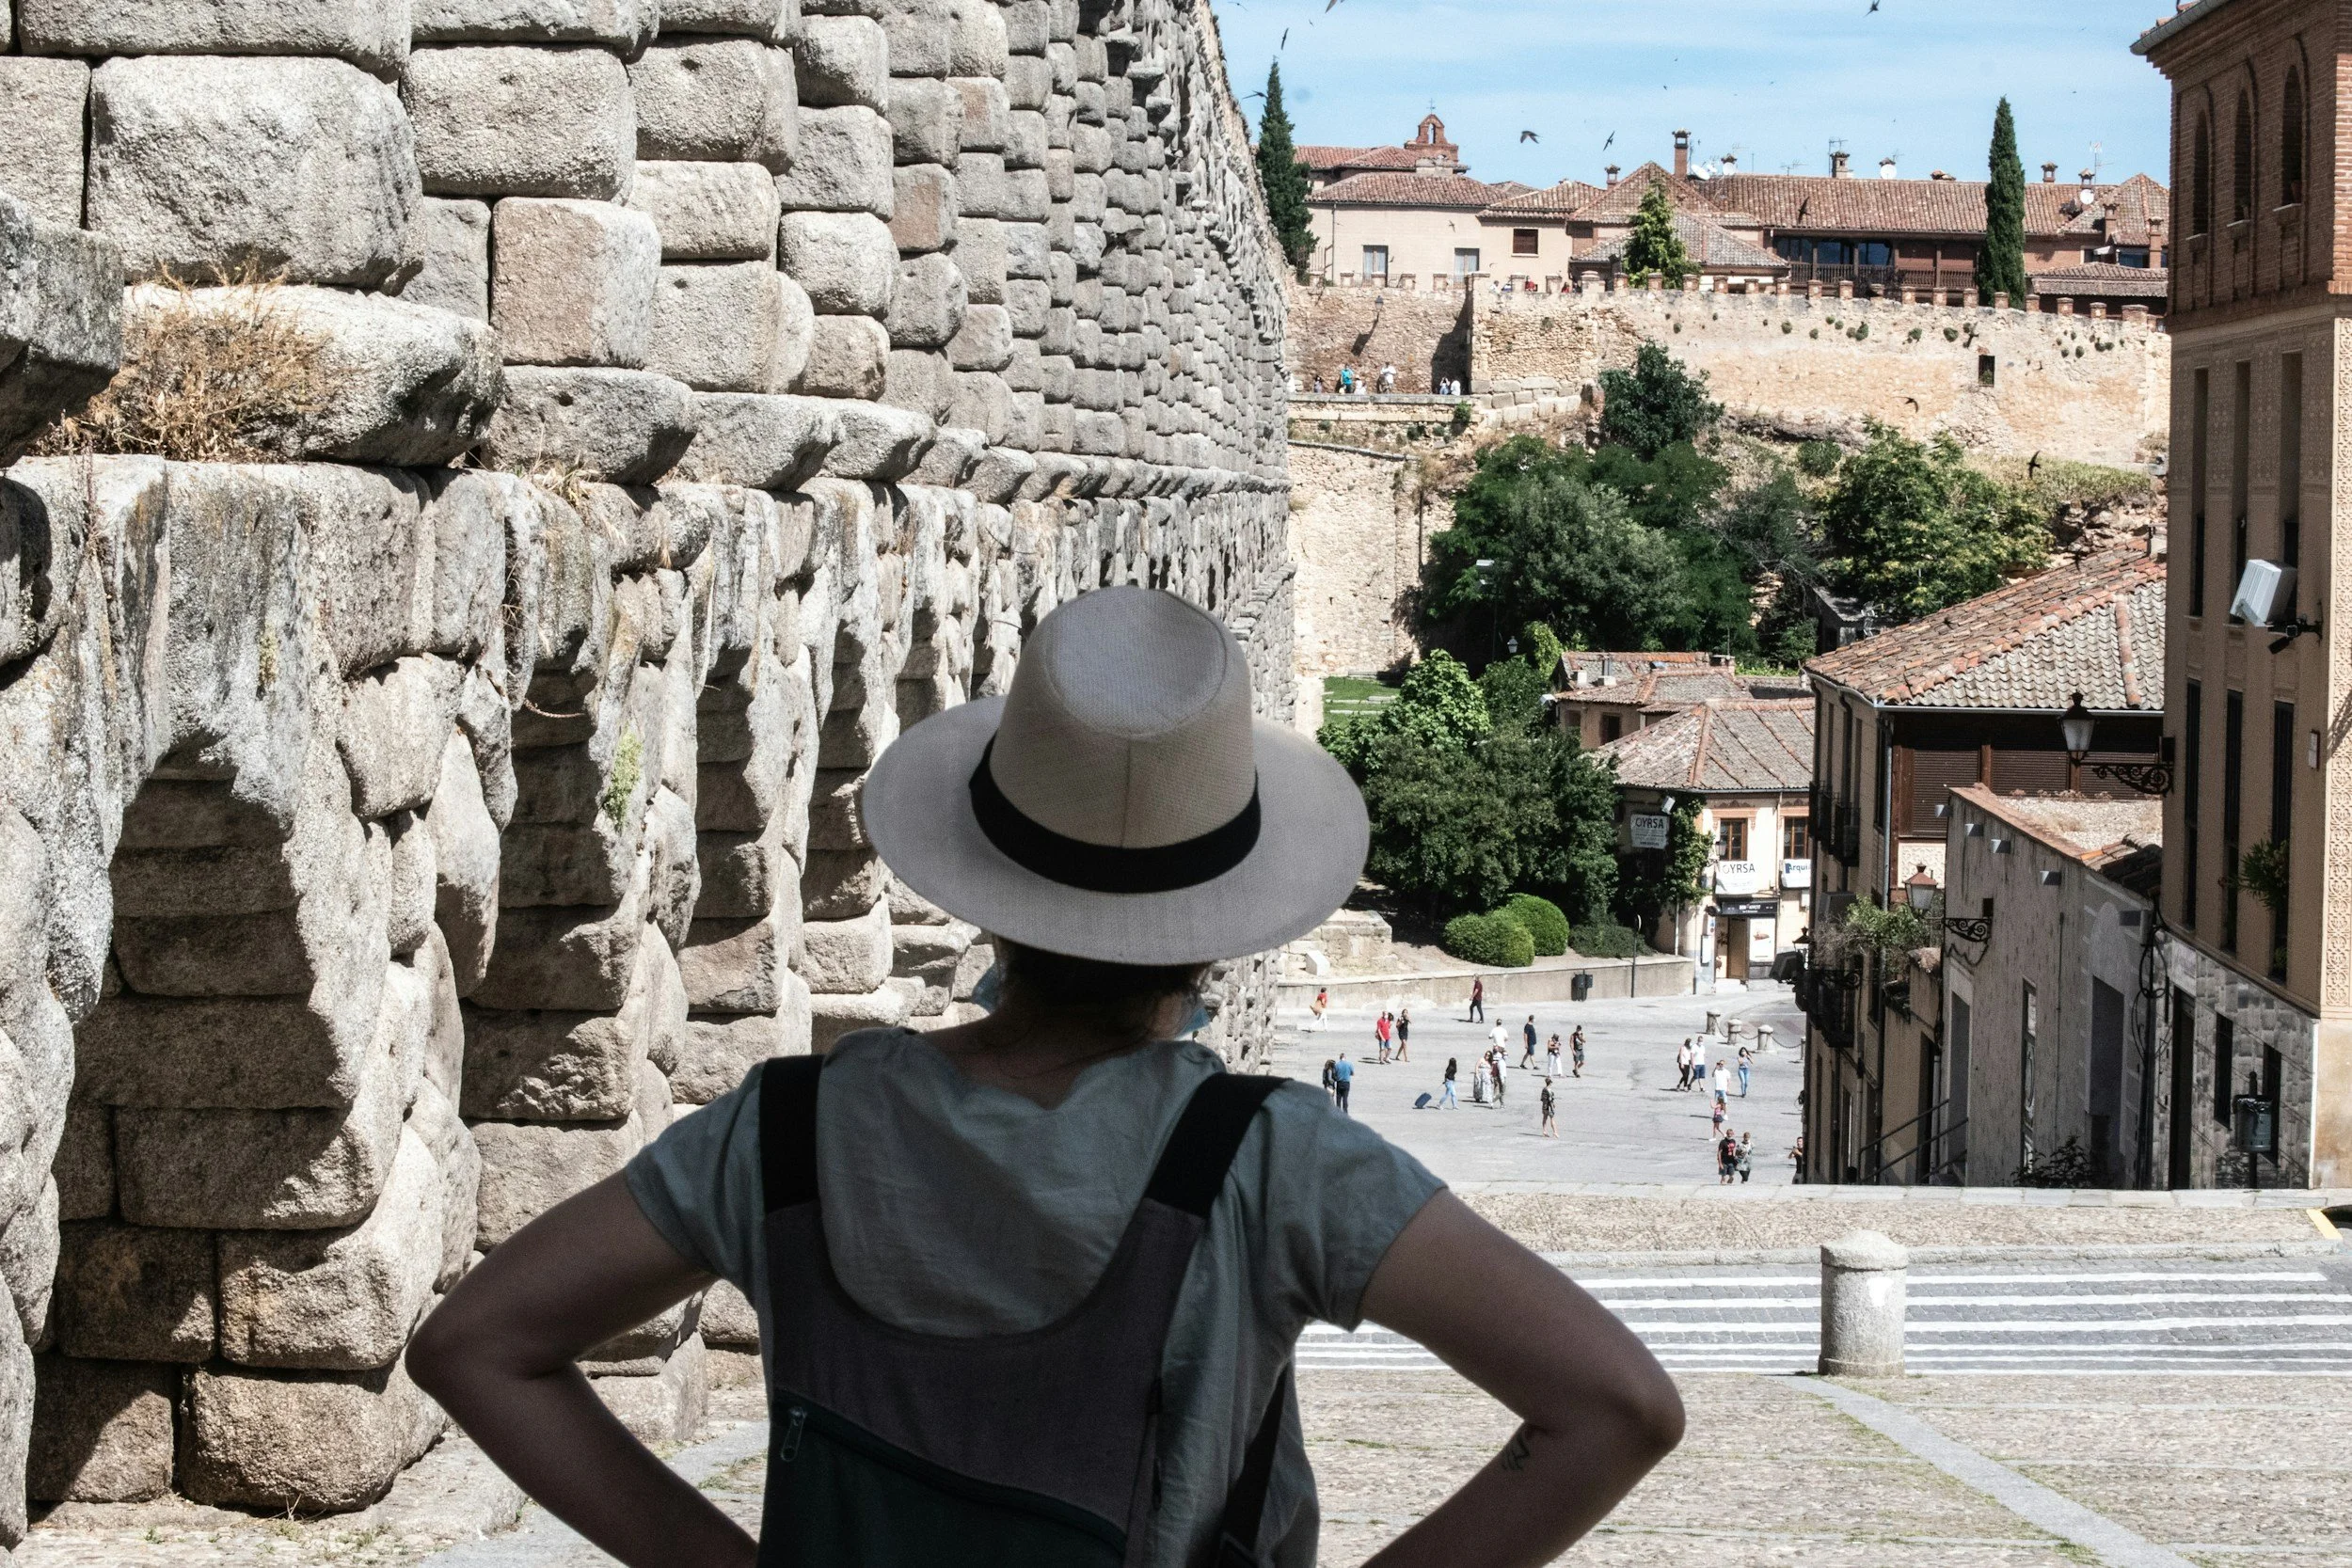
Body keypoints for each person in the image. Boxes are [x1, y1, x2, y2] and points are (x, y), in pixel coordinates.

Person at [405, 586, 1685, 1568]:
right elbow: (1616, 1405)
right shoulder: (1272, 1158)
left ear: (988, 894)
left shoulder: (788, 1128)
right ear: (1214, 925)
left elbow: (478, 1343)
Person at [1333, 1052, 1355, 1116]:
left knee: (1338, 1097)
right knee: (1345, 1098)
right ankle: (1345, 1112)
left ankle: (1338, 1111)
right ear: (1345, 1057)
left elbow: (1335, 1073)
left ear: (1340, 1058)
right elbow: (1352, 1073)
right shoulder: (1349, 1064)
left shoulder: (1337, 1064)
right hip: (1346, 1083)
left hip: (1339, 1082)